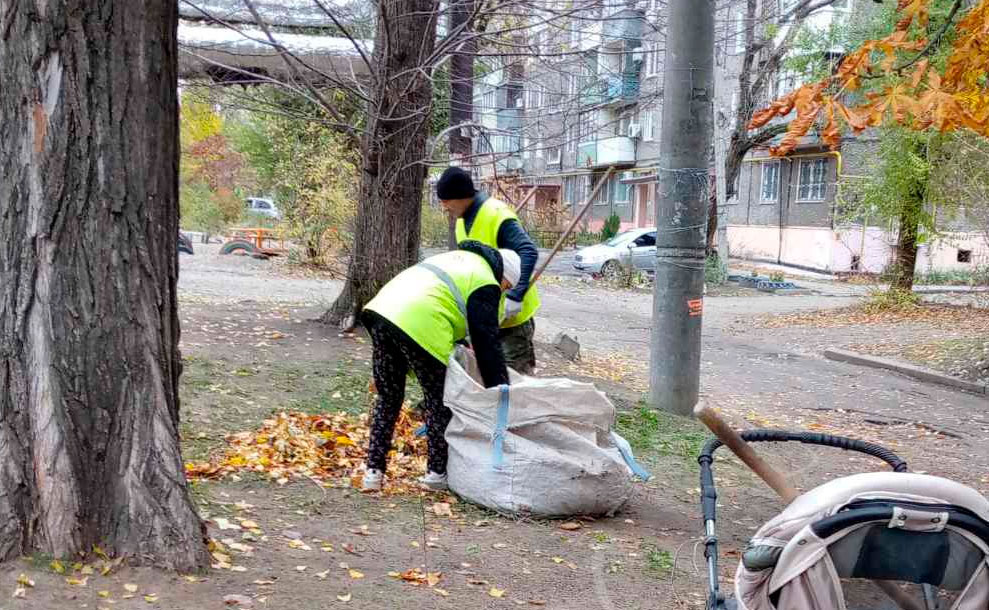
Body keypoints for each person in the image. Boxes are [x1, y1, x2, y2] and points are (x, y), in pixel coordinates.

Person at [360, 241, 521, 492]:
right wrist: (499, 389)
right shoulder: (486, 279)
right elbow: (486, 341)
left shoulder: (462, 260)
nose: (503, 291)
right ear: (504, 276)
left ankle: (373, 471)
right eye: (507, 286)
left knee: (388, 397)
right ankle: (436, 474)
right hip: (421, 321)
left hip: (382, 311)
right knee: (438, 400)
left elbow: (445, 299)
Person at [436, 167, 540, 374]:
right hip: (487, 316)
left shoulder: (495, 213)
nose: (444, 206)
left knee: (513, 383)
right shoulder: (461, 223)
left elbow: (528, 251)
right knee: (487, 378)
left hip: (512, 320)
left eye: (446, 200)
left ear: (460, 196)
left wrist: (516, 295)